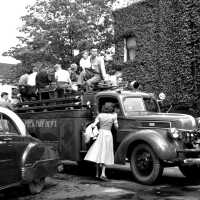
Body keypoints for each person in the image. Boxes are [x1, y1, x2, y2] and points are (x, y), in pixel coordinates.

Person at [84, 102, 118, 180]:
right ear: (111, 109)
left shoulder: (100, 115)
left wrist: (91, 128)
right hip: (108, 135)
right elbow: (116, 127)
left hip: (101, 134)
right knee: (106, 152)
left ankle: (96, 174)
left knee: (99, 152)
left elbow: (93, 125)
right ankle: (103, 173)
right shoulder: (113, 116)